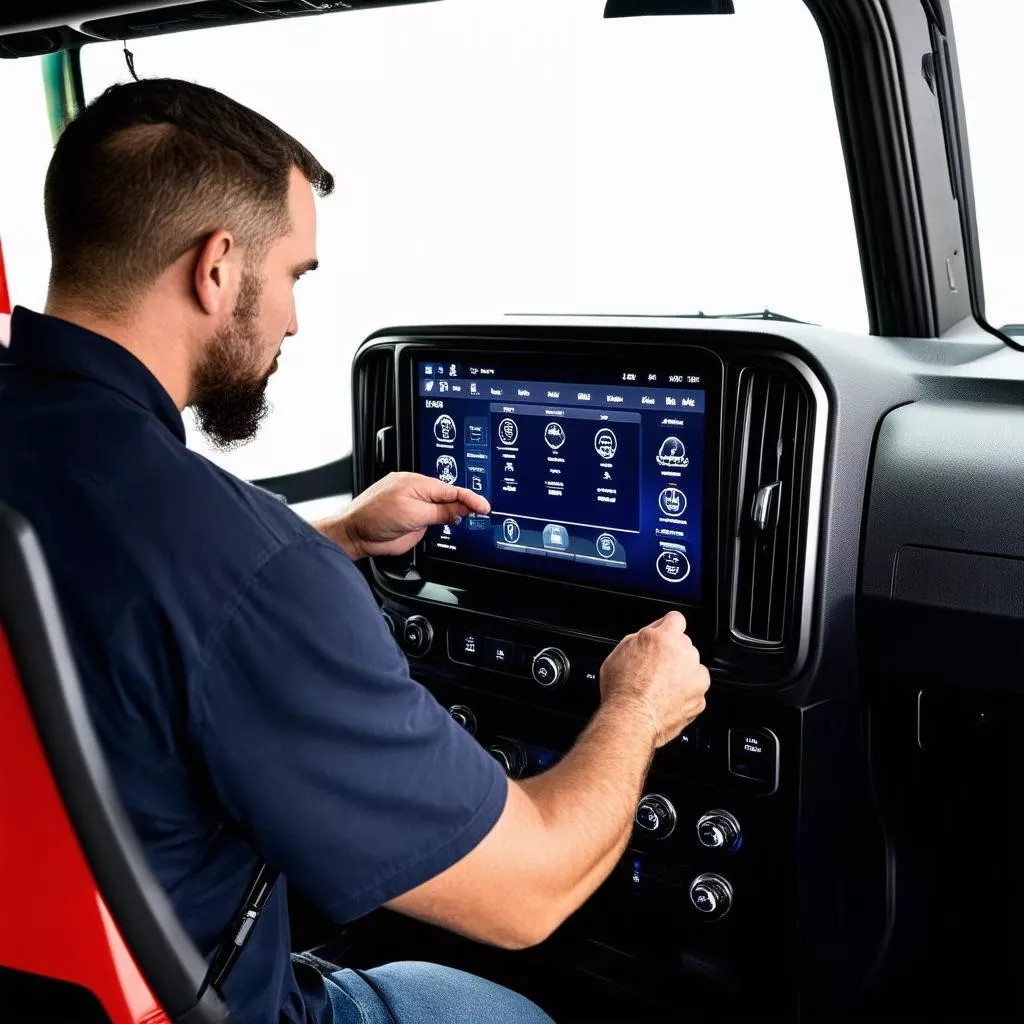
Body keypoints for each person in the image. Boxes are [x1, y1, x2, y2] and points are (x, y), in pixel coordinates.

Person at [0, 79, 710, 1024]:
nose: (294, 319)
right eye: (296, 275)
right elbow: (527, 892)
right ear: (216, 269)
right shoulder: (248, 575)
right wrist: (637, 707)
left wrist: (328, 536)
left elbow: (115, 575)